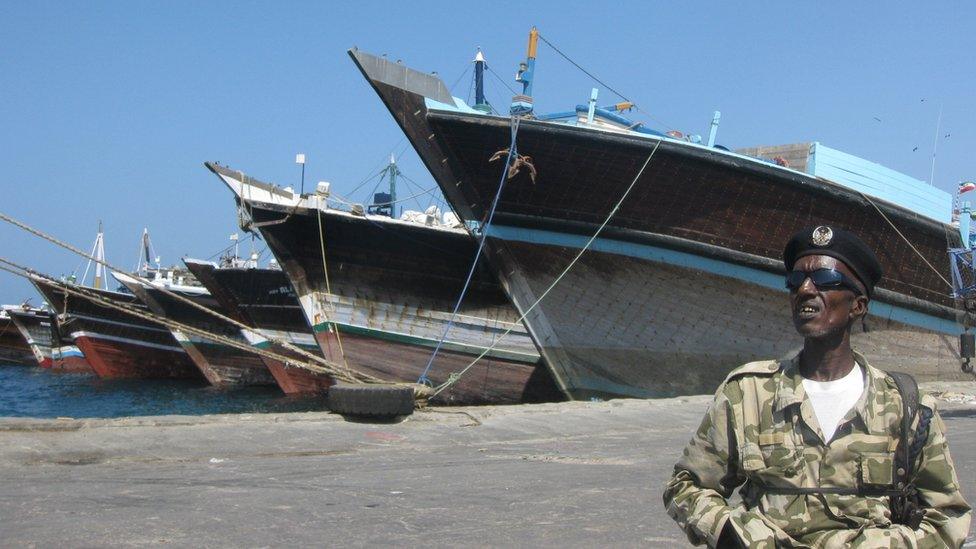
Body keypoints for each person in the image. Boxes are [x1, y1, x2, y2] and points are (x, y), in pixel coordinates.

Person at [663, 226, 971, 547]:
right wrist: (730, 534)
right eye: (796, 281)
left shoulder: (906, 407)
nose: (806, 289)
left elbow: (948, 516)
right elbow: (686, 486)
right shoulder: (747, 393)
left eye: (824, 280)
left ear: (858, 305)